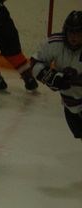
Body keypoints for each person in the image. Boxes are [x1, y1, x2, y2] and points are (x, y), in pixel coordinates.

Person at [31, 11, 82, 140]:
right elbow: (35, 63)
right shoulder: (55, 43)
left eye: (78, 32)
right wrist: (55, 78)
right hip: (70, 104)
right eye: (70, 32)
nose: (73, 37)